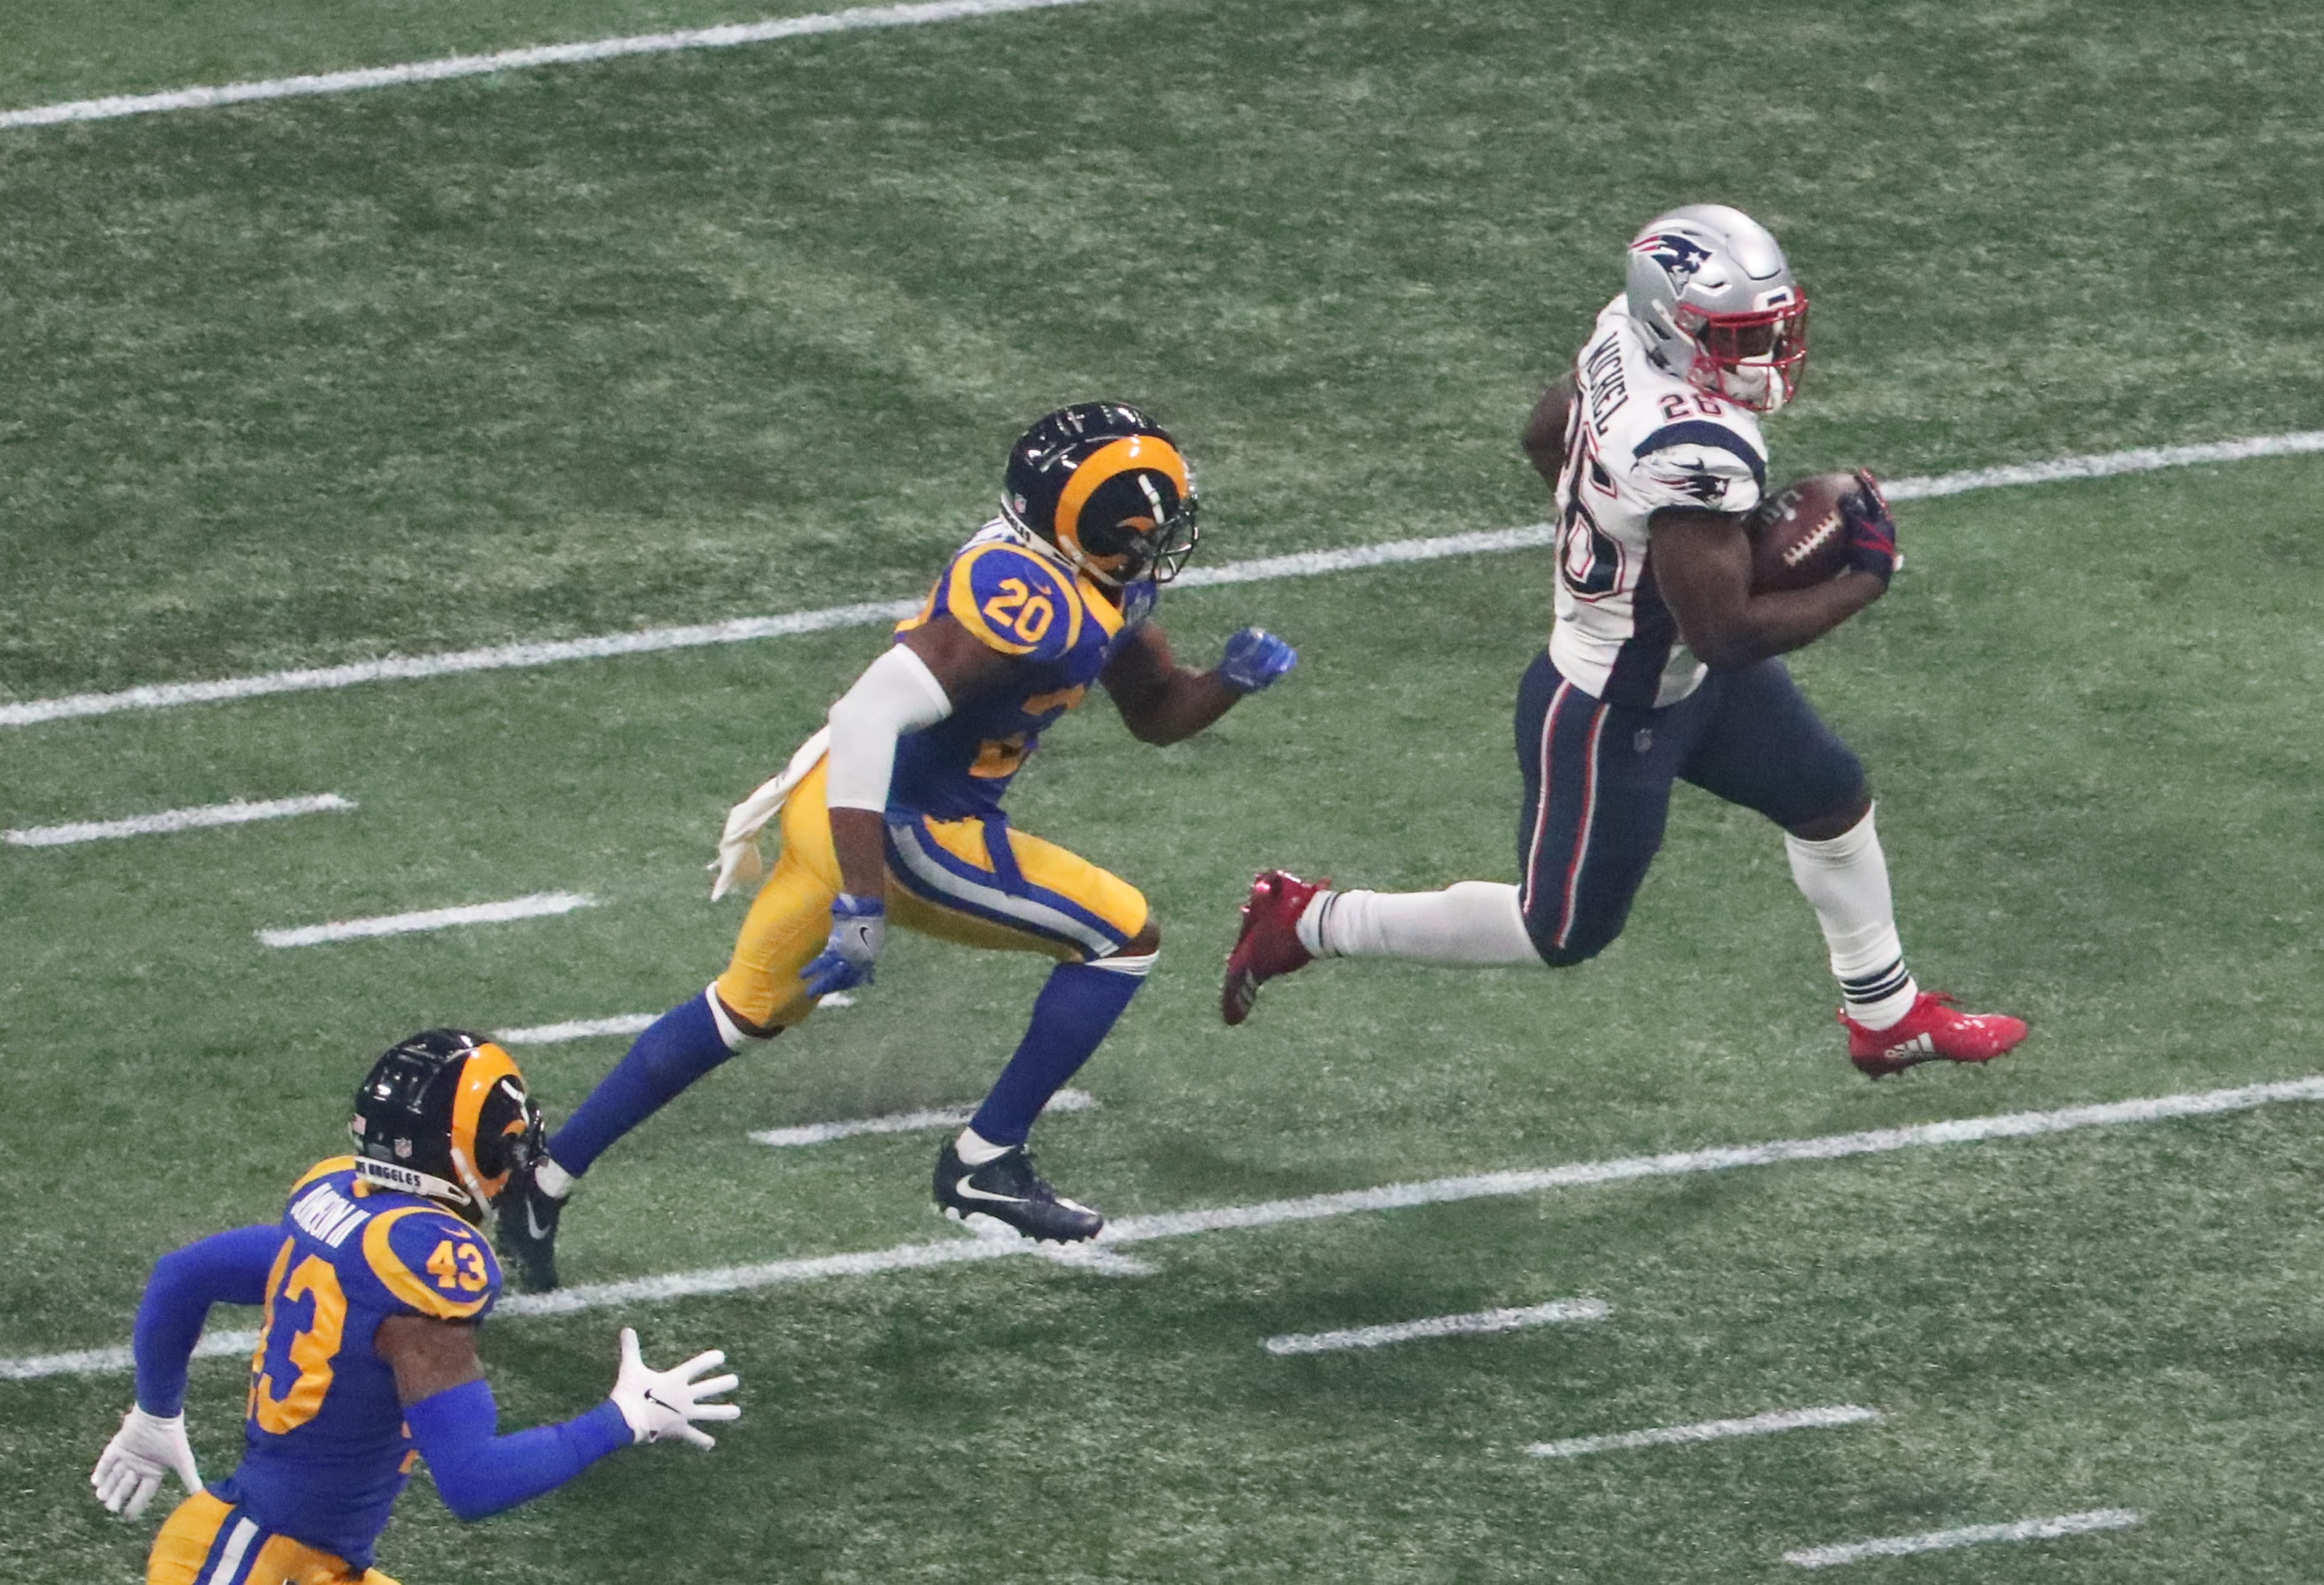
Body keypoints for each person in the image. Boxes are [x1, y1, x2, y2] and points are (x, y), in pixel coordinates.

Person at [496, 402, 1296, 1288]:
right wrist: (865, 903)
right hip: (901, 824)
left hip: (836, 800)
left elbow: (1154, 713)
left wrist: (1224, 684)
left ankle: (544, 1179)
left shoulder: (1083, 577)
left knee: (742, 1009)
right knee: (1122, 938)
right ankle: (983, 1162)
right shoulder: (1029, 597)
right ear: (1104, 527)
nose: (1173, 535)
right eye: (1158, 520)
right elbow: (869, 711)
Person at [1221, 205, 2026, 1078]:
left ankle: (1886, 1014)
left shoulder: (1625, 337)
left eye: (1765, 332)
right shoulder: (1698, 449)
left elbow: (1544, 431)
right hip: (1615, 700)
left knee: (1829, 796)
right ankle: (1307, 920)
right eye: (1735, 337)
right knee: (1560, 929)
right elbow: (1724, 633)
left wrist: (1614, 530)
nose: (1759, 358)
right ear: (1675, 324)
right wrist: (1863, 578)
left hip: (1664, 660)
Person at [91, 1029, 740, 1583]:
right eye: (508, 1143)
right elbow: (473, 1480)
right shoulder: (422, 1269)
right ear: (467, 1153)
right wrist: (624, 1419)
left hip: (296, 1558)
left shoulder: (346, 1210)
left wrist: (156, 1410)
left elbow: (184, 1275)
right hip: (252, 1562)